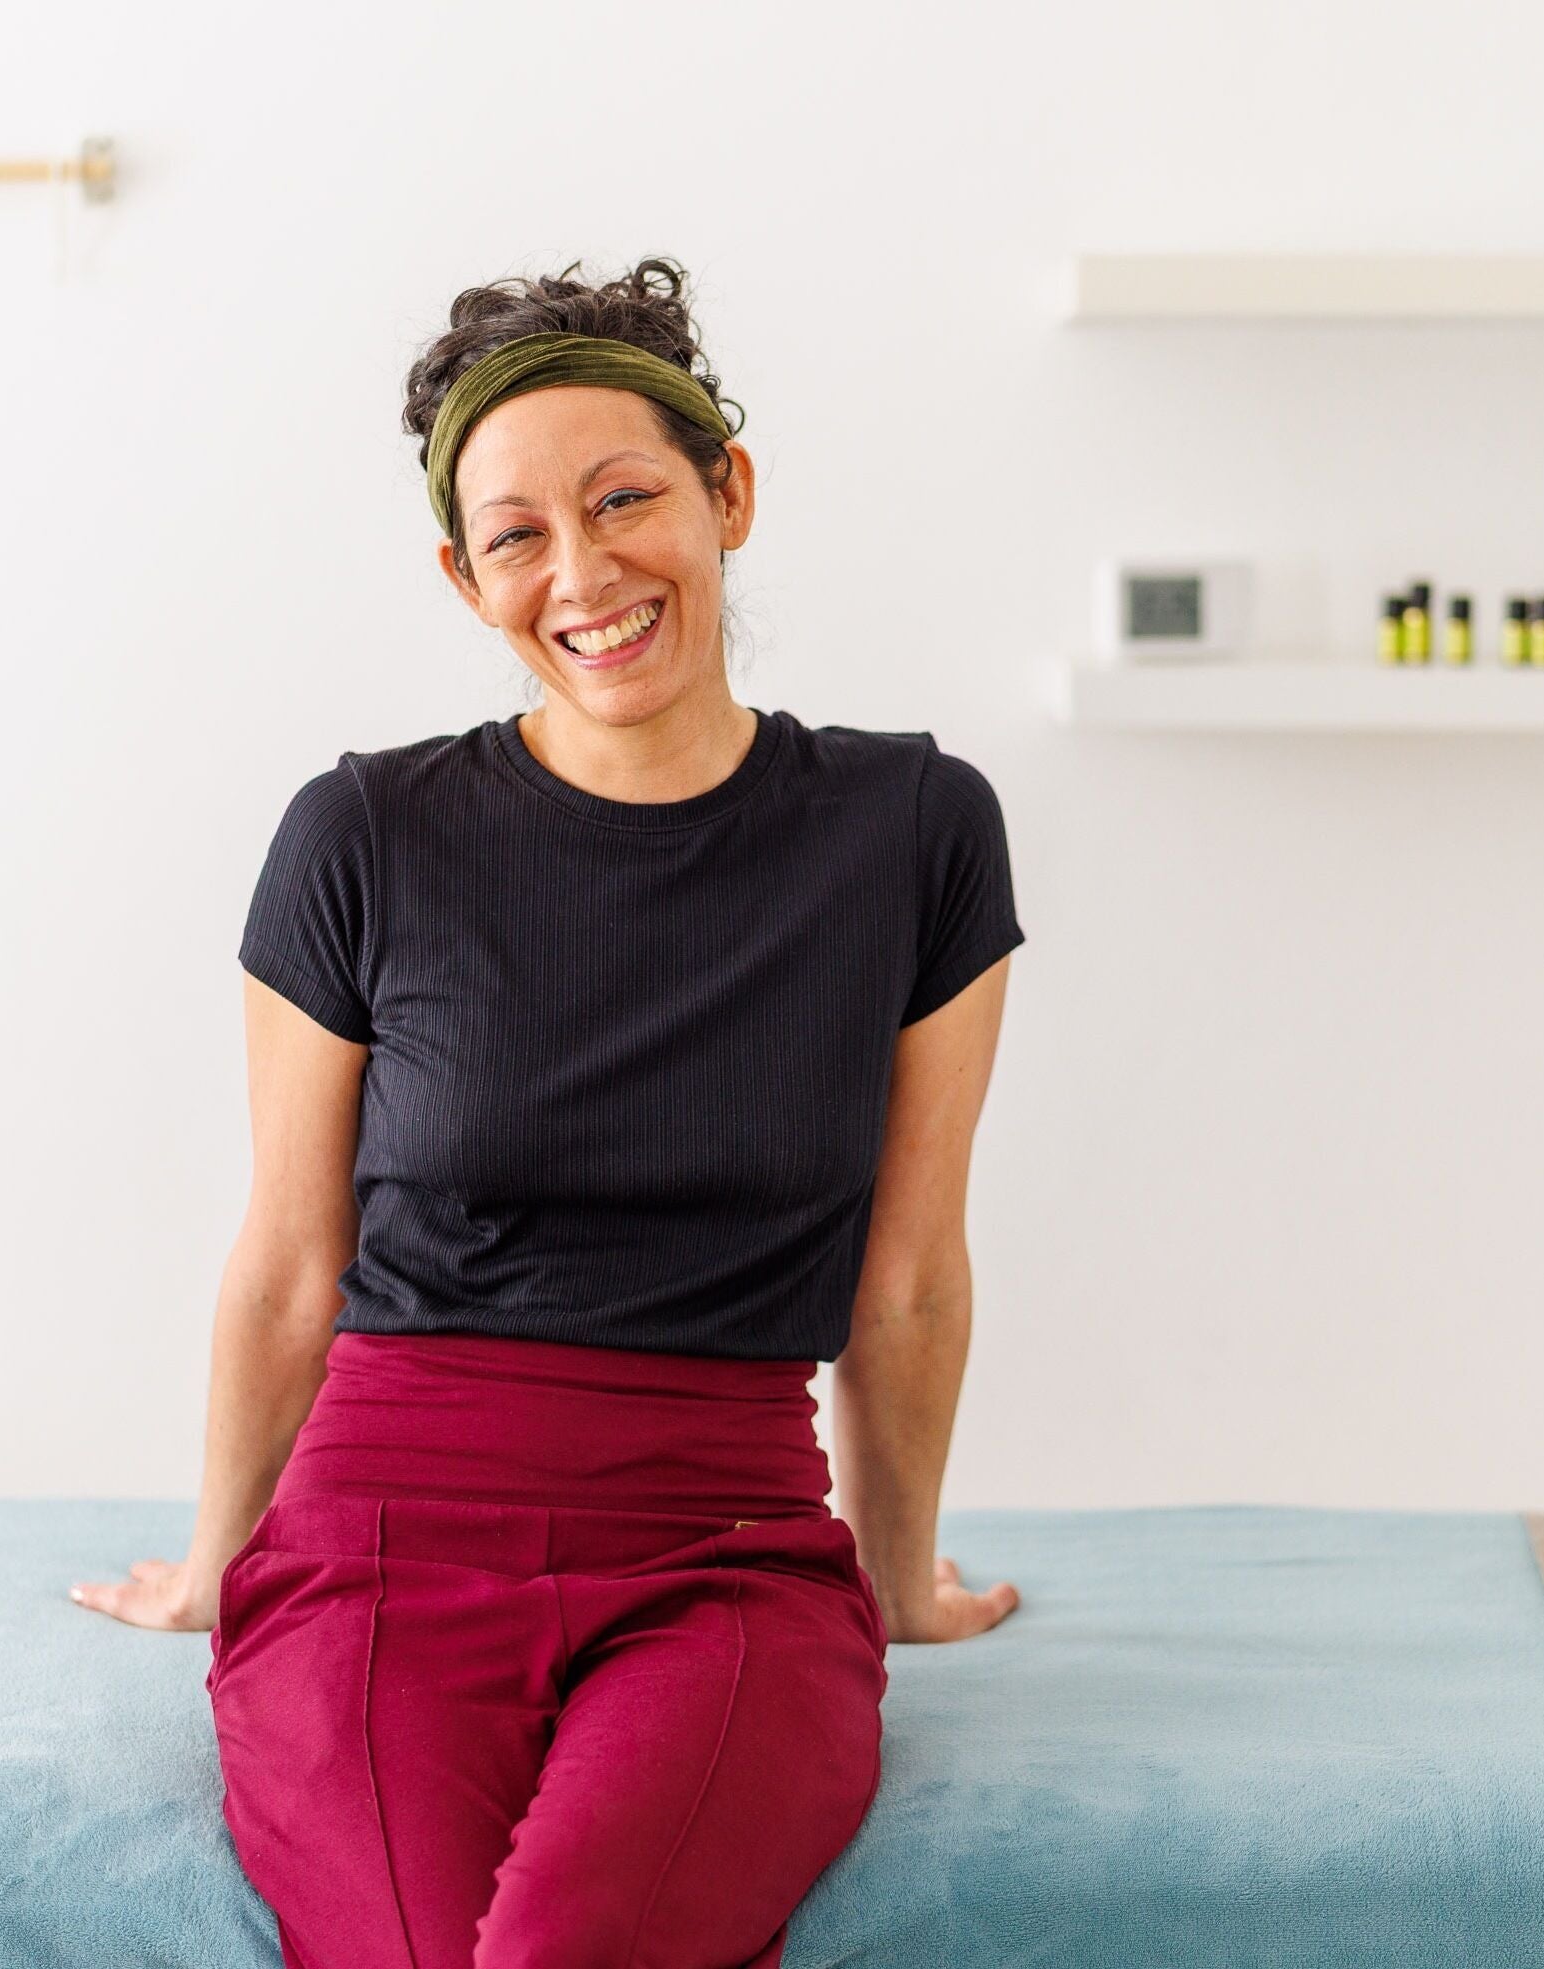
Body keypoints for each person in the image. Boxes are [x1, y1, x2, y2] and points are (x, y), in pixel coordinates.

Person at [73, 258, 1023, 1969]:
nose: (584, 574)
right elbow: (295, 1265)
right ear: (465, 578)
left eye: (626, 498)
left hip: (723, 1553)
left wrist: (904, 1578)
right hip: (377, 1543)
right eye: (517, 535)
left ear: (728, 492)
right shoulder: (361, 836)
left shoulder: (915, 830)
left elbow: (910, 1279)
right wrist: (219, 1557)